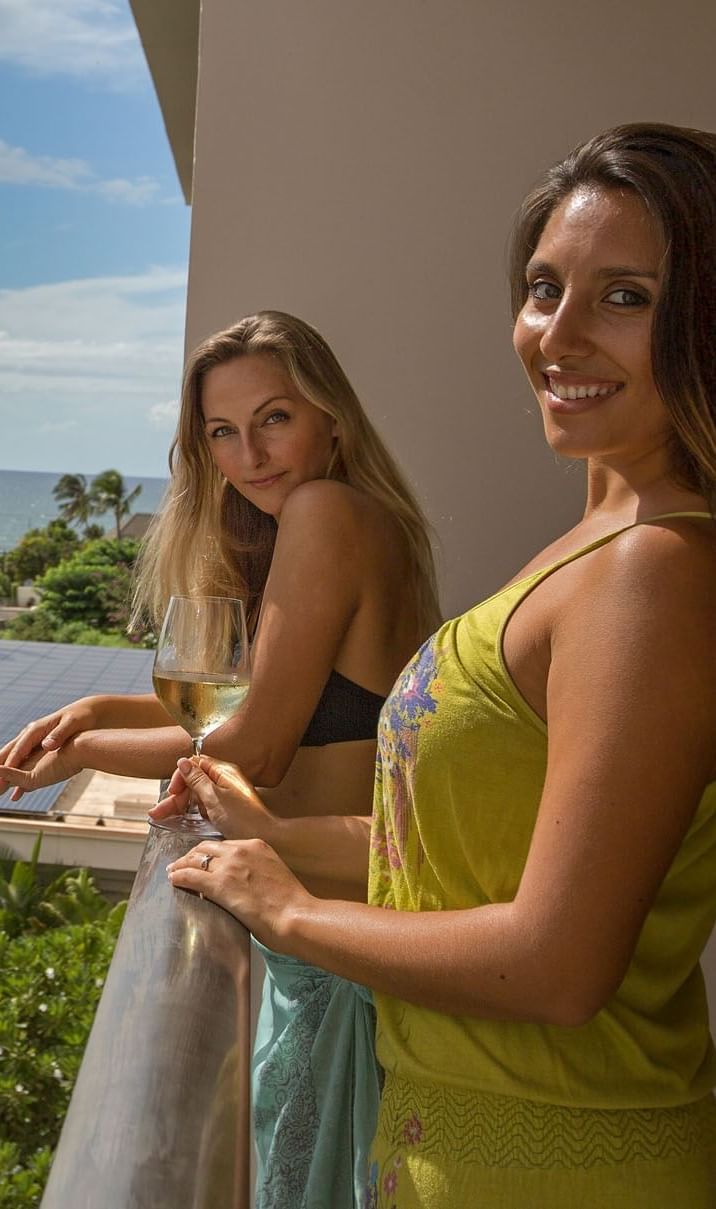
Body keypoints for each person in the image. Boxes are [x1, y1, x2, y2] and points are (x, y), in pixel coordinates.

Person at [169, 122, 716, 1208]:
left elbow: (557, 964)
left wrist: (287, 909)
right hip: (454, 1146)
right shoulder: (592, 551)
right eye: (542, 288)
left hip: (557, 1163)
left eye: (624, 297)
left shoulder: (657, 569)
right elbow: (480, 865)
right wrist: (279, 841)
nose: (556, 335)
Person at [0, 309, 440, 1209]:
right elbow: (265, 703)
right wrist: (96, 707)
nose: (249, 452)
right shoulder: (354, 517)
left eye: (275, 417)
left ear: (331, 415)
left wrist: (83, 752)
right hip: (321, 916)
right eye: (222, 431)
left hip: (323, 933)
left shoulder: (326, 512)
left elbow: (255, 741)